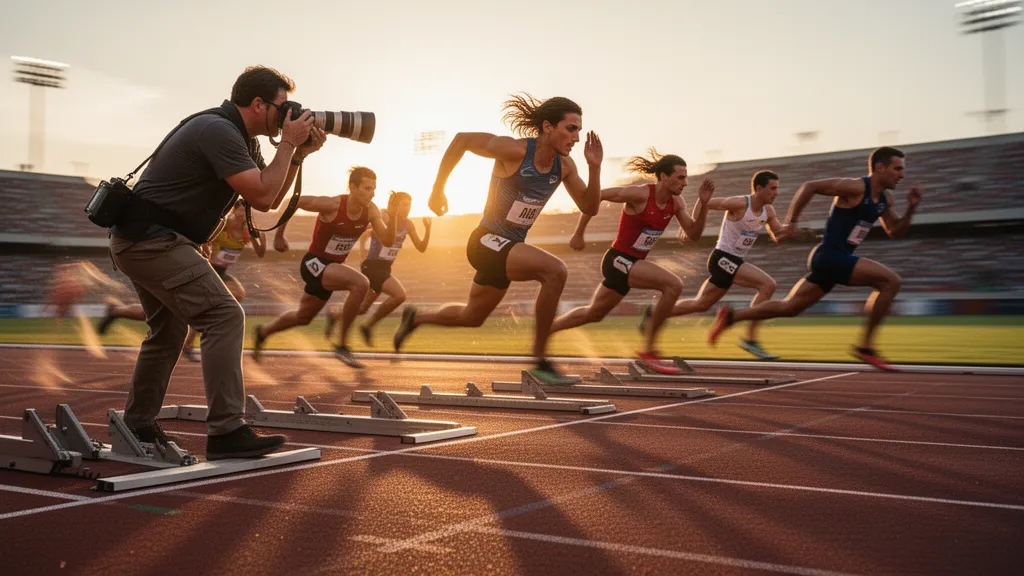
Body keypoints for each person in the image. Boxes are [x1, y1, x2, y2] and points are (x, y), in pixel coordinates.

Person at [107, 65, 326, 460]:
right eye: (282, 106)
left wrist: (297, 155)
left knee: (168, 331)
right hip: (151, 241)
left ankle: (138, 423)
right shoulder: (219, 131)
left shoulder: (243, 140)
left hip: (149, 240)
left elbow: (269, 199)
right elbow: (261, 196)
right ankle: (227, 430)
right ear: (258, 104)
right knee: (224, 315)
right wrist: (289, 146)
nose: (288, 114)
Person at [392, 93, 604, 385]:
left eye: (579, 129)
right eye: (571, 129)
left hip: (508, 249)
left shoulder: (565, 167)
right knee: (555, 271)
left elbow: (589, 207)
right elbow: (462, 139)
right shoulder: (514, 151)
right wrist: (438, 189)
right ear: (547, 127)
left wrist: (595, 168)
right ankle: (540, 359)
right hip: (485, 241)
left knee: (472, 317)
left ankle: (415, 318)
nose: (577, 138)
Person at [708, 147, 922, 371]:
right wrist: (792, 222)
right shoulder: (856, 187)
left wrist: (911, 208)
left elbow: (895, 231)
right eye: (897, 169)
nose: (902, 175)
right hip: (830, 256)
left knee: (789, 308)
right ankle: (865, 347)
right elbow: (809, 187)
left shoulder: (884, 200)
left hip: (835, 260)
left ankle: (732, 316)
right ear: (880, 167)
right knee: (891, 281)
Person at [551, 149, 714, 374]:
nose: (685, 182)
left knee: (594, 314)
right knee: (673, 285)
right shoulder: (639, 195)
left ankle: (546, 330)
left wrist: (704, 205)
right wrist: (579, 233)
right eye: (680, 177)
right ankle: (649, 351)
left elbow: (694, 234)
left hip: (631, 264)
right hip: (618, 259)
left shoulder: (676, 203)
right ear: (664, 177)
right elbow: (594, 196)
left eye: (686, 177)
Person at [640, 170, 793, 360]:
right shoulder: (739, 203)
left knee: (701, 304)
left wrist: (795, 231)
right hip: (722, 258)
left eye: (777, 188)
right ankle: (750, 340)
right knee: (767, 285)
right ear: (759, 188)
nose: (776, 193)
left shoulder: (768, 211)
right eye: (773, 188)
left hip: (733, 261)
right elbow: (706, 203)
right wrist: (690, 228)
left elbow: (777, 233)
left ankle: (655, 313)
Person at [254, 166, 398, 368]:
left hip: (333, 268)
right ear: (353, 188)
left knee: (303, 317)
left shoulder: (371, 210)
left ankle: (263, 332)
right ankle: (342, 345)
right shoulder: (332, 205)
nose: (372, 193)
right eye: (367, 188)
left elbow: (388, 240)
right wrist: (279, 235)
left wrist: (393, 218)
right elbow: (292, 201)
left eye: (374, 188)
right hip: (314, 263)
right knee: (361, 284)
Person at [97, 199, 267, 362]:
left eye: (247, 212)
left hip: (222, 273)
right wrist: (206, 249)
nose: (244, 215)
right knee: (158, 314)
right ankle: (116, 311)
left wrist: (263, 237)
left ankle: (188, 344)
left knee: (234, 296)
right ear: (234, 211)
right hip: (204, 270)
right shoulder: (223, 227)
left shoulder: (248, 231)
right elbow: (201, 239)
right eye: (241, 211)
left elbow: (260, 253)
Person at [324, 191, 431, 347]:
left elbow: (421, 247)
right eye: (404, 204)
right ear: (395, 205)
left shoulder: (408, 224)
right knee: (399, 295)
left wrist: (427, 229)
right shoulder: (384, 217)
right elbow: (365, 234)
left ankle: (335, 316)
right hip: (372, 266)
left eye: (410, 205)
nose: (408, 208)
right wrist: (362, 253)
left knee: (361, 308)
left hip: (384, 269)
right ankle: (367, 326)